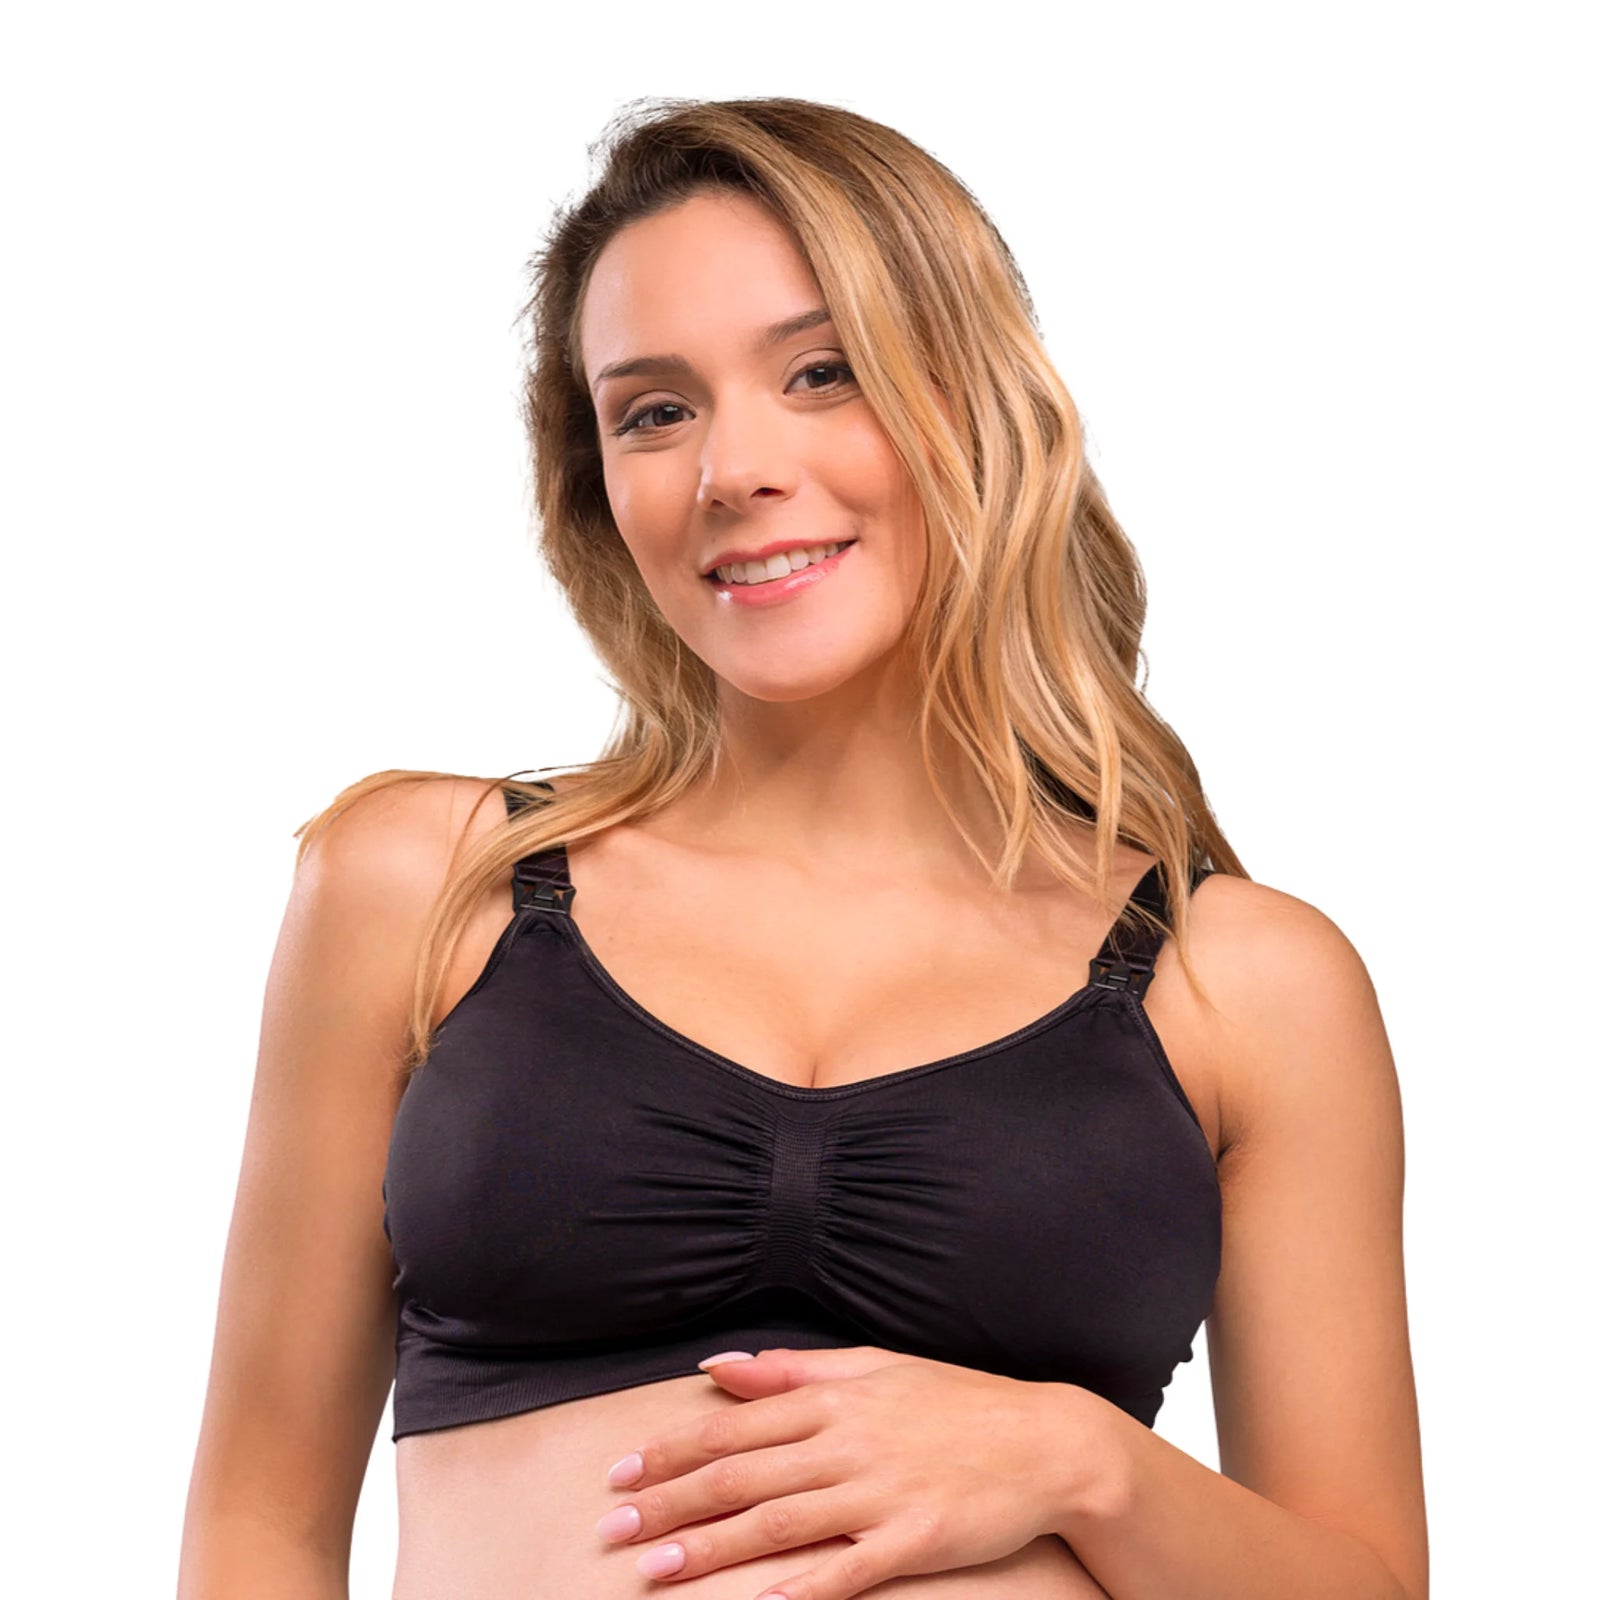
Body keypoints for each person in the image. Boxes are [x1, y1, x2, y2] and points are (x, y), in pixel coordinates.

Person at [178, 96, 1428, 1600]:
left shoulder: (1250, 985)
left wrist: (1080, 1464)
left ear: (973, 402)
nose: (732, 468)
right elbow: (260, 1531)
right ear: (598, 487)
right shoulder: (422, 887)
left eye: (821, 374)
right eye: (654, 409)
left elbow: (1363, 1582)